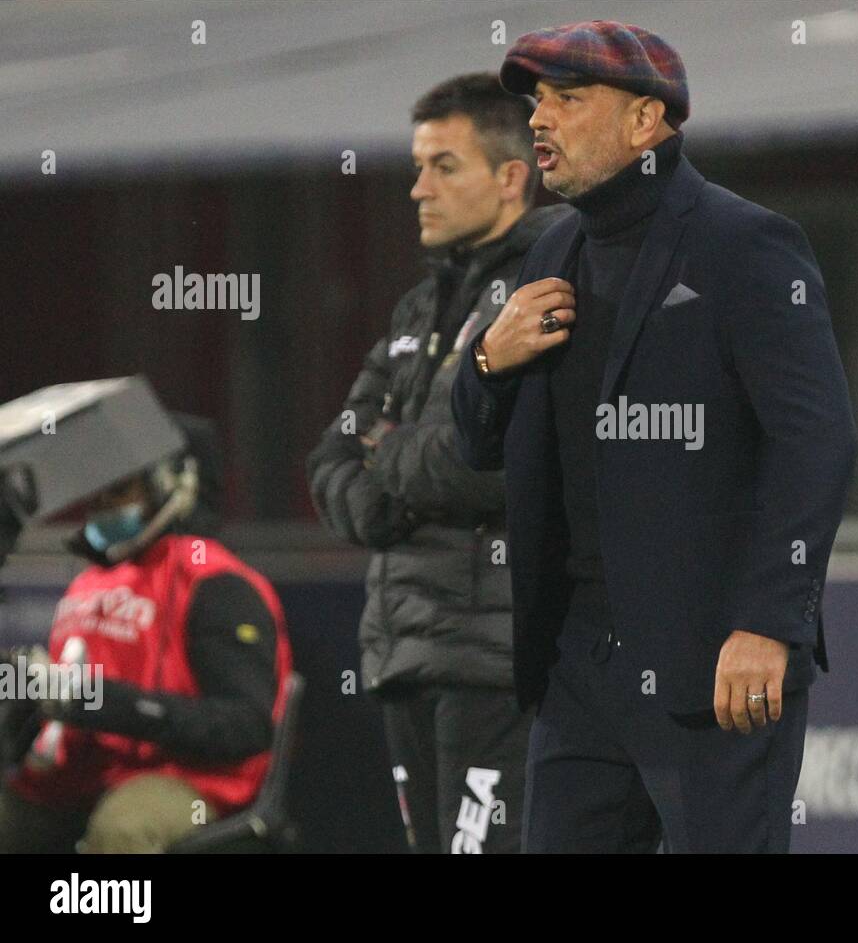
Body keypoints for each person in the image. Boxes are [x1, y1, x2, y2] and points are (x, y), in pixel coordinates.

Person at [451, 21, 857, 853]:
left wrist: (770, 622)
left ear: (646, 122)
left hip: (712, 660)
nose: (539, 120)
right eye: (537, 101)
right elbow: (477, 447)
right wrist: (488, 362)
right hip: (575, 667)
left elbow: (816, 442)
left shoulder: (745, 243)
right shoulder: (550, 253)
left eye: (568, 98)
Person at [307, 73, 570, 853]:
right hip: (403, 650)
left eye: (444, 166)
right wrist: (389, 487)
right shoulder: (418, 309)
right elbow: (334, 449)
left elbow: (501, 459)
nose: (418, 189)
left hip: (494, 657)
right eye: (418, 166)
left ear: (511, 176)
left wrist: (392, 462)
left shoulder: (547, 286)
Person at [0, 415, 292, 853]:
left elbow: (245, 727)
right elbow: (67, 698)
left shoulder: (215, 583)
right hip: (87, 771)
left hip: (192, 780)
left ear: (175, 484)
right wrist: (21, 681)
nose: (100, 504)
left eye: (119, 490)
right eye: (97, 490)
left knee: (125, 829)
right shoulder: (93, 580)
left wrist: (97, 701)